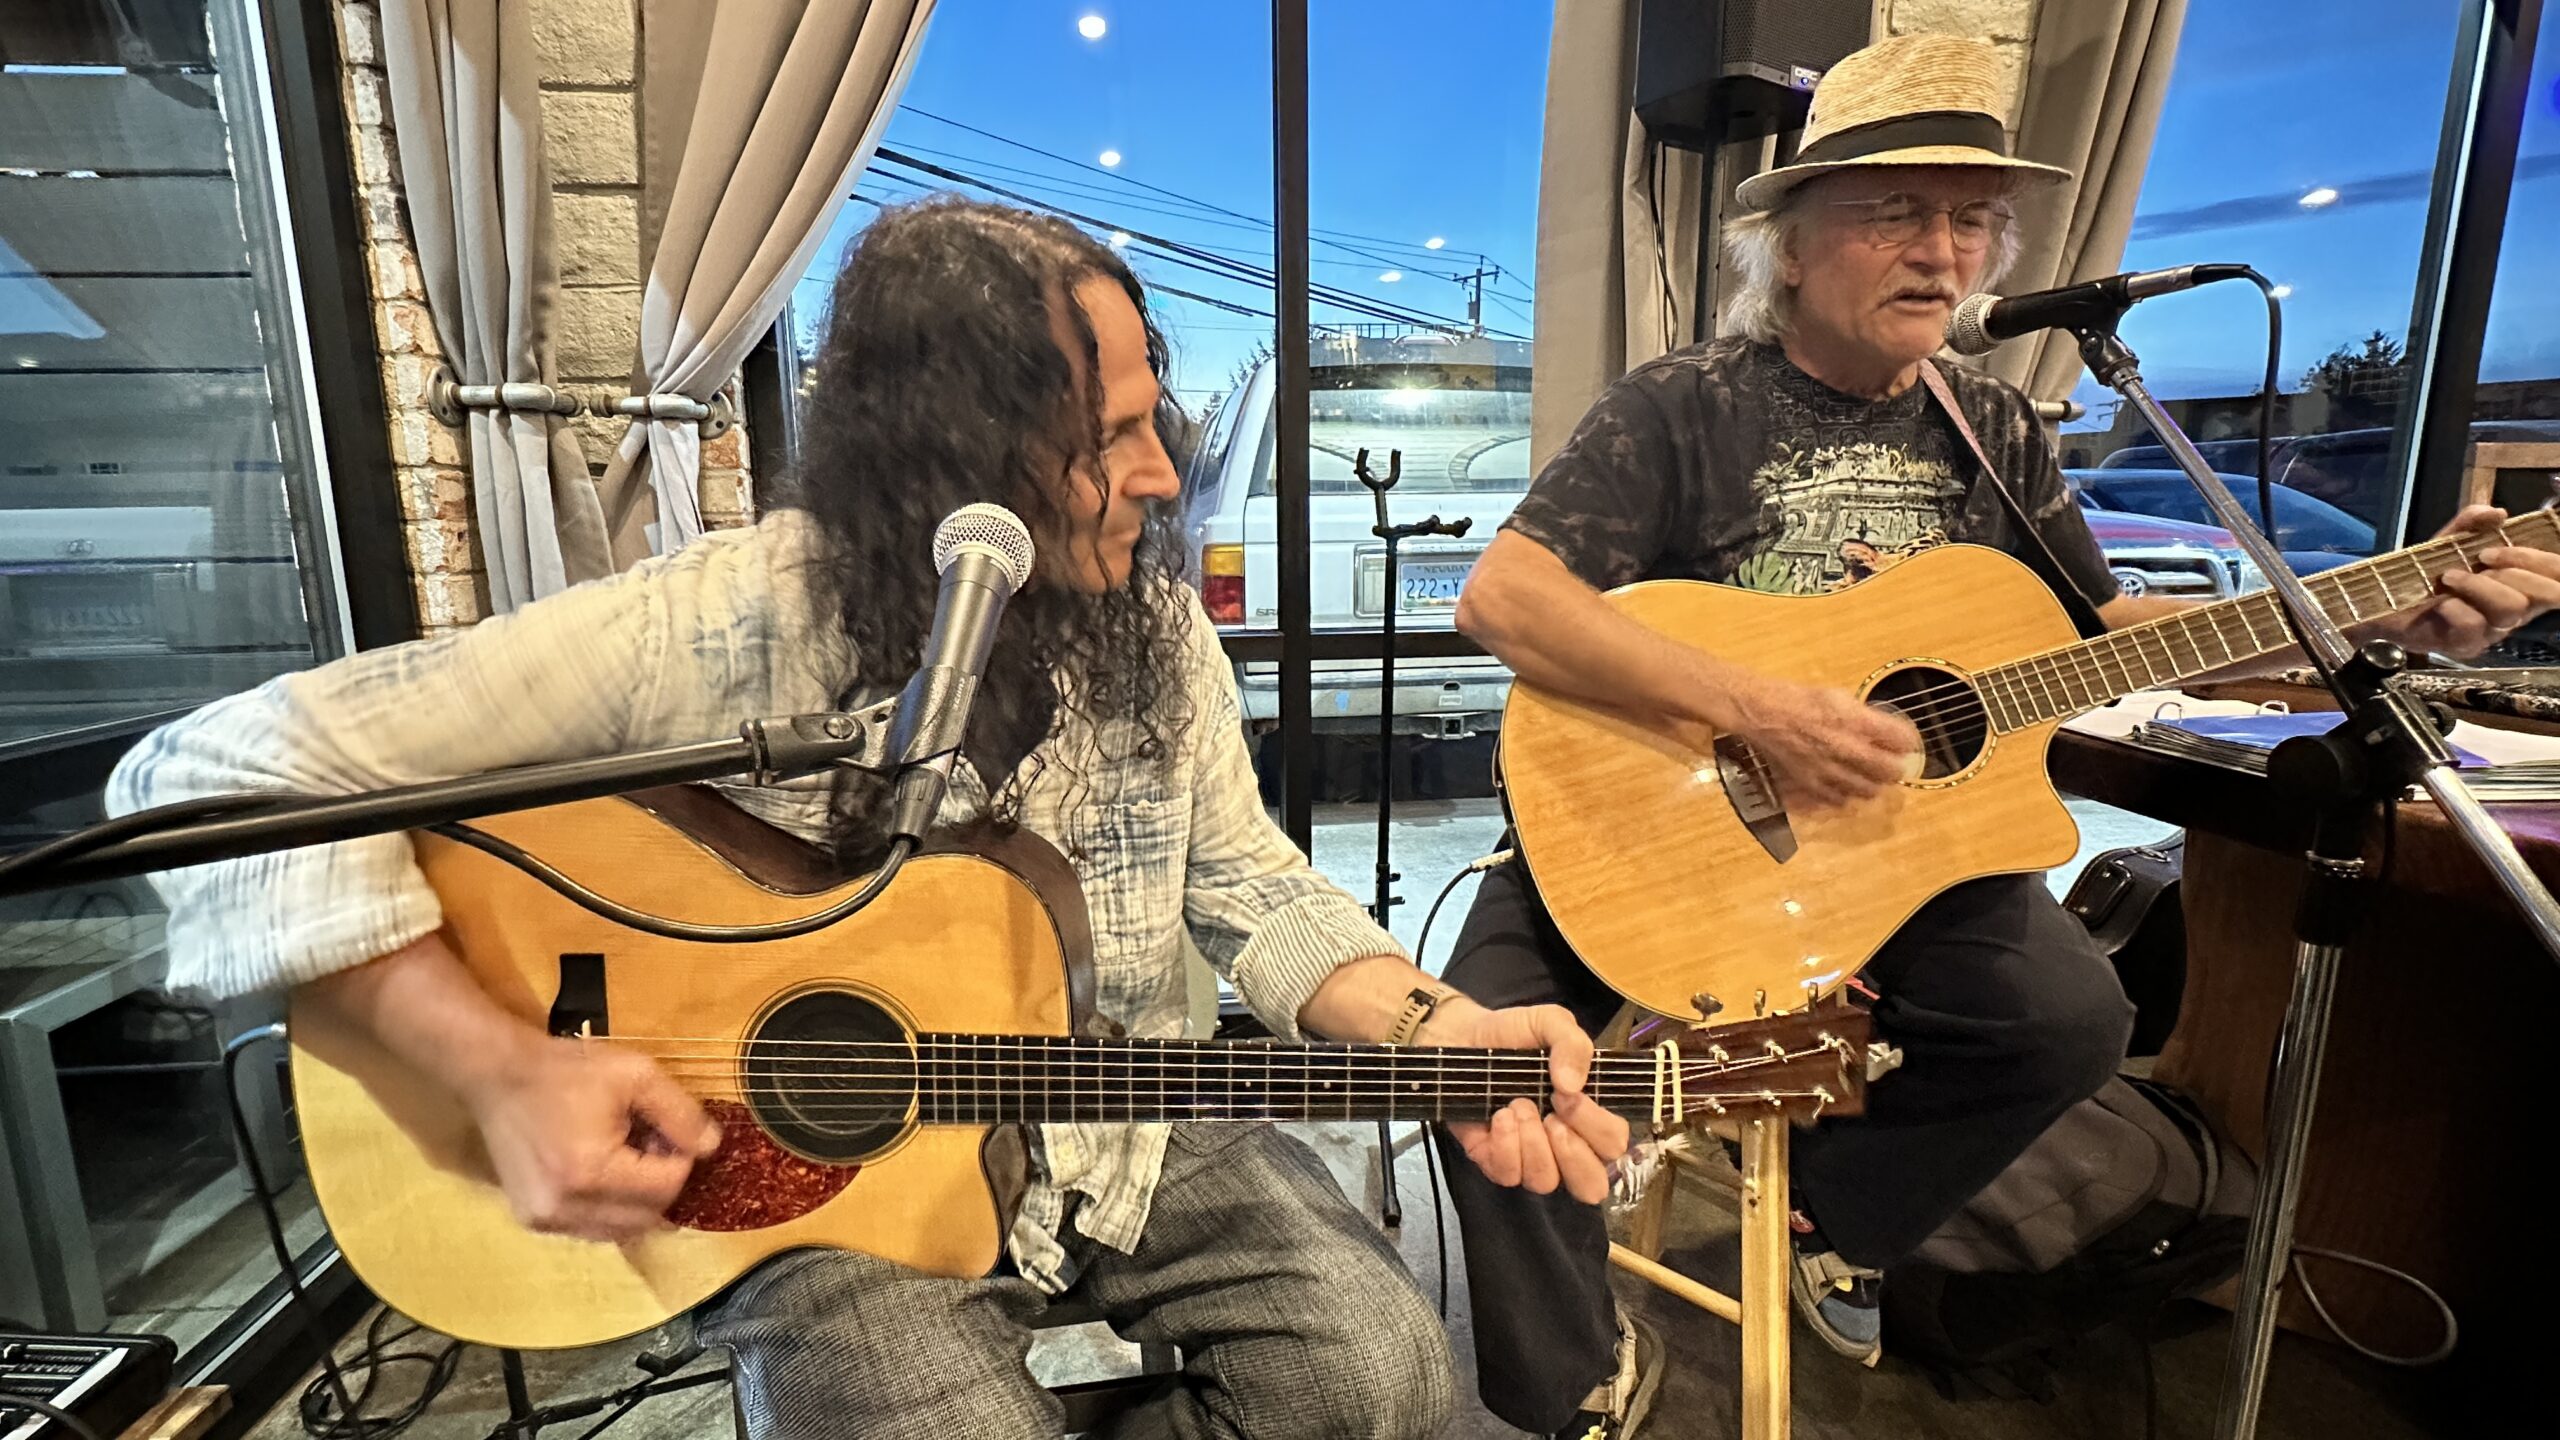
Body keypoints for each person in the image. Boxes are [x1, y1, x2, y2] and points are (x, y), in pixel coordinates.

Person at [109, 196, 1630, 1438]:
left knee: (1377, 1377)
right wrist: (498, 1068)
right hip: (823, 1190)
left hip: (1126, 1127)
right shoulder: (725, 623)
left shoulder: (1158, 632)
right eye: (1110, 436)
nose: (1164, 475)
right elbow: (208, 773)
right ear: (955, 461)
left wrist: (1440, 1031)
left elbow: (1251, 887)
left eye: (1154, 418)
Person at [1430, 33, 2560, 1439]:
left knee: (2069, 1016)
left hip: (1887, 859)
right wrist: (1762, 707)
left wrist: (2375, 617)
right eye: (1897, 211)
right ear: (1792, 247)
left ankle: (1841, 1218)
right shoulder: (1685, 405)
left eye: (1973, 219)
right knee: (1478, 1063)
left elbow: (2107, 629)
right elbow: (1506, 597)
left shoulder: (1998, 428)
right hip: (1643, 826)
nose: (1943, 252)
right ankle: (1574, 1384)